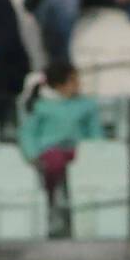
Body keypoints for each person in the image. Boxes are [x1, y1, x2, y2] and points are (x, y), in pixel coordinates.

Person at [18, 62, 104, 197]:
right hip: (51, 149)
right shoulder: (41, 106)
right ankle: (50, 196)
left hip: (77, 148)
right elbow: (28, 132)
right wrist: (32, 154)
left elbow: (94, 129)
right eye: (73, 80)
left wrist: (97, 148)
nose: (78, 84)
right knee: (55, 162)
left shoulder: (86, 105)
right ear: (59, 85)